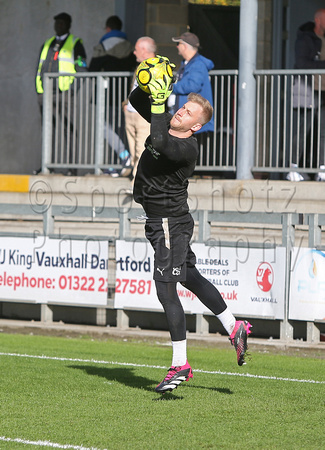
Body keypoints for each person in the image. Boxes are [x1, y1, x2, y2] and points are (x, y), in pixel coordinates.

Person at [129, 62, 252, 394]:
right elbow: (133, 98)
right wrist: (153, 86)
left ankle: (179, 364)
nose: (180, 113)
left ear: (196, 127)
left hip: (170, 222)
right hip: (162, 221)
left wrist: (158, 102)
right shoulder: (168, 122)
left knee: (166, 285)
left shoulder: (186, 148)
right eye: (182, 107)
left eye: (188, 113)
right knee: (187, 276)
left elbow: (157, 138)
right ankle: (234, 325)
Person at [35, 12, 87, 175]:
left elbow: (82, 68)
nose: (58, 26)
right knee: (47, 130)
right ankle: (46, 166)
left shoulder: (75, 43)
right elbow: (39, 67)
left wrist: (72, 91)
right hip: (45, 93)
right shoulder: (48, 43)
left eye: (61, 23)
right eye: (56, 23)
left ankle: (72, 168)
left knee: (68, 129)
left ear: (68, 25)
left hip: (64, 93)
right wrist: (38, 89)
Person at [89, 15, 136, 177]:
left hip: (104, 94)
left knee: (103, 127)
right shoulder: (130, 46)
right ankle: (122, 162)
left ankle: (123, 156)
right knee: (121, 127)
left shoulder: (103, 45)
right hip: (123, 93)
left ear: (108, 28)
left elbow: (93, 69)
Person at [287, 9, 325, 182]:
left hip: (323, 91)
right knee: (304, 128)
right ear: (318, 20)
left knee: (323, 131)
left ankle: (322, 169)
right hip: (309, 91)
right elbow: (302, 63)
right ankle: (293, 168)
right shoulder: (305, 39)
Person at [169, 32, 214, 149]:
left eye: (179, 44)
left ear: (185, 46)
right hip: (188, 120)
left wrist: (170, 87)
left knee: (191, 152)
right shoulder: (187, 63)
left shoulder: (198, 64)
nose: (177, 47)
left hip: (194, 121)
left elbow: (193, 85)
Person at [123, 37, 156, 182]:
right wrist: (126, 104)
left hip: (142, 115)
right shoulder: (140, 66)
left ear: (144, 50)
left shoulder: (156, 67)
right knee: (133, 152)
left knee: (141, 150)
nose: (134, 53)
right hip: (131, 113)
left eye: (136, 50)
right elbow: (134, 88)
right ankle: (135, 180)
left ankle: (137, 184)